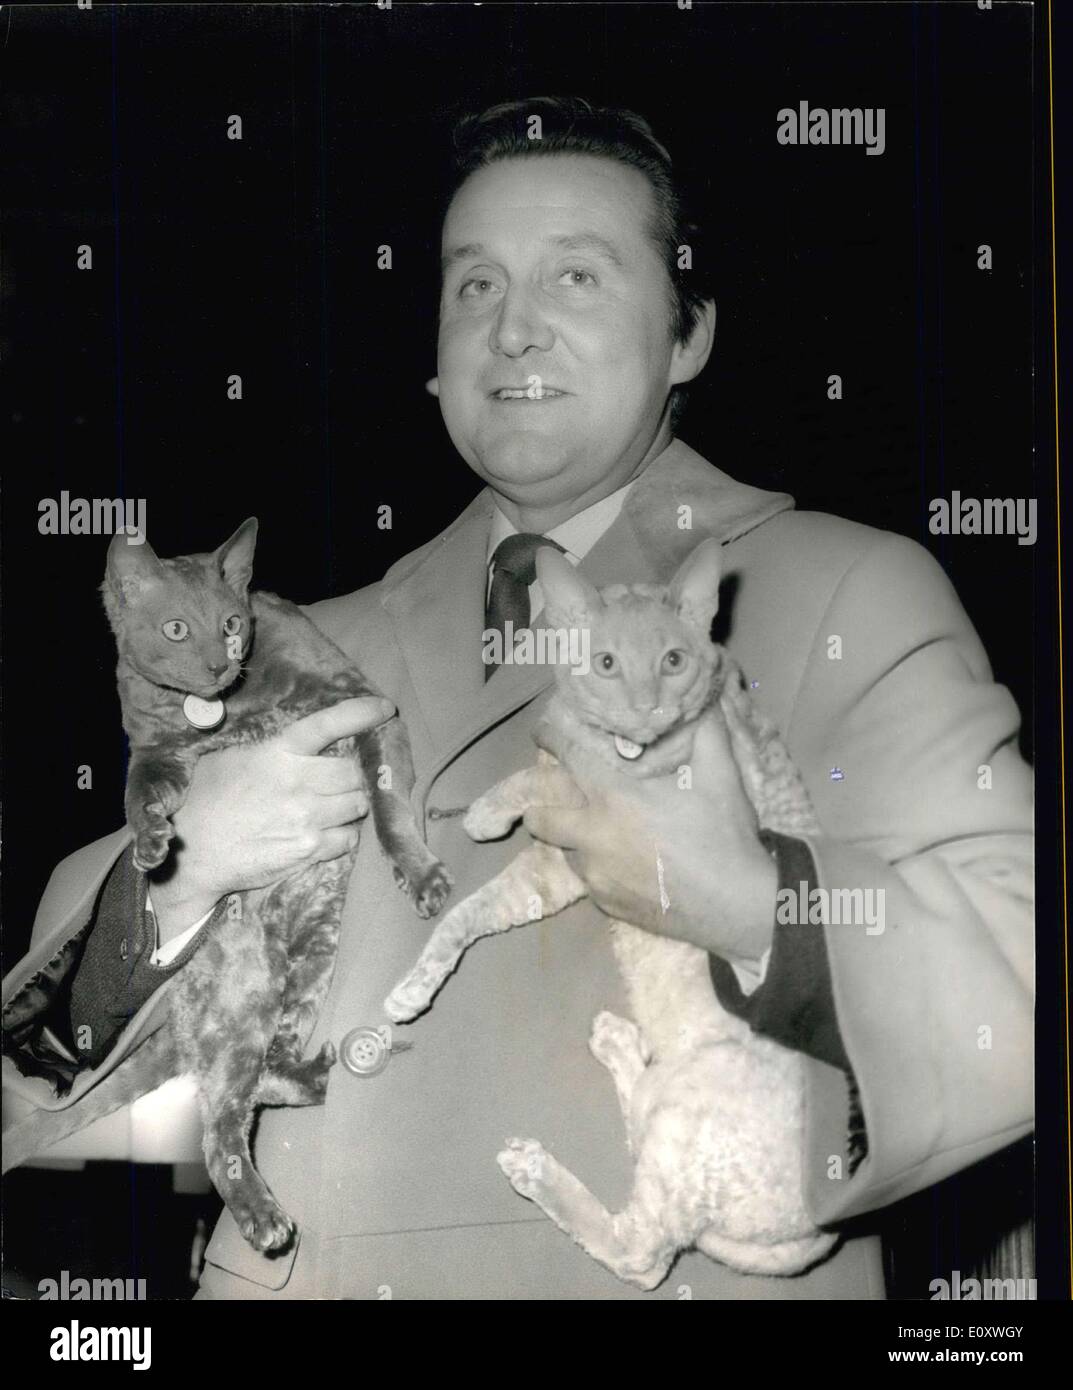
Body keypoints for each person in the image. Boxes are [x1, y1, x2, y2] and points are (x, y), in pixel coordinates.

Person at [2, 97, 1033, 1300]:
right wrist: (178, 870)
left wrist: (752, 902)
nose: (514, 330)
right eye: (473, 287)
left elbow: (1024, 981)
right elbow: (45, 1091)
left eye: (577, 277)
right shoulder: (300, 644)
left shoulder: (839, 590)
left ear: (688, 332)